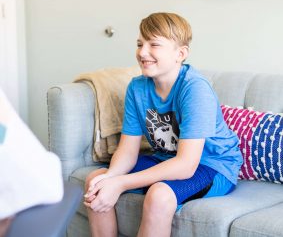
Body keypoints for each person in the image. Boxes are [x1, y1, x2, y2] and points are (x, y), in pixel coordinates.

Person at [84, 12, 243, 237]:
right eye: (140, 44)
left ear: (181, 53)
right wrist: (110, 179)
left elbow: (187, 165)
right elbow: (127, 150)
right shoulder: (137, 88)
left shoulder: (195, 89)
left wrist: (120, 183)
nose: (143, 52)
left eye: (154, 44)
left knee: (159, 195)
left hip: (212, 166)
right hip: (167, 159)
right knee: (96, 180)